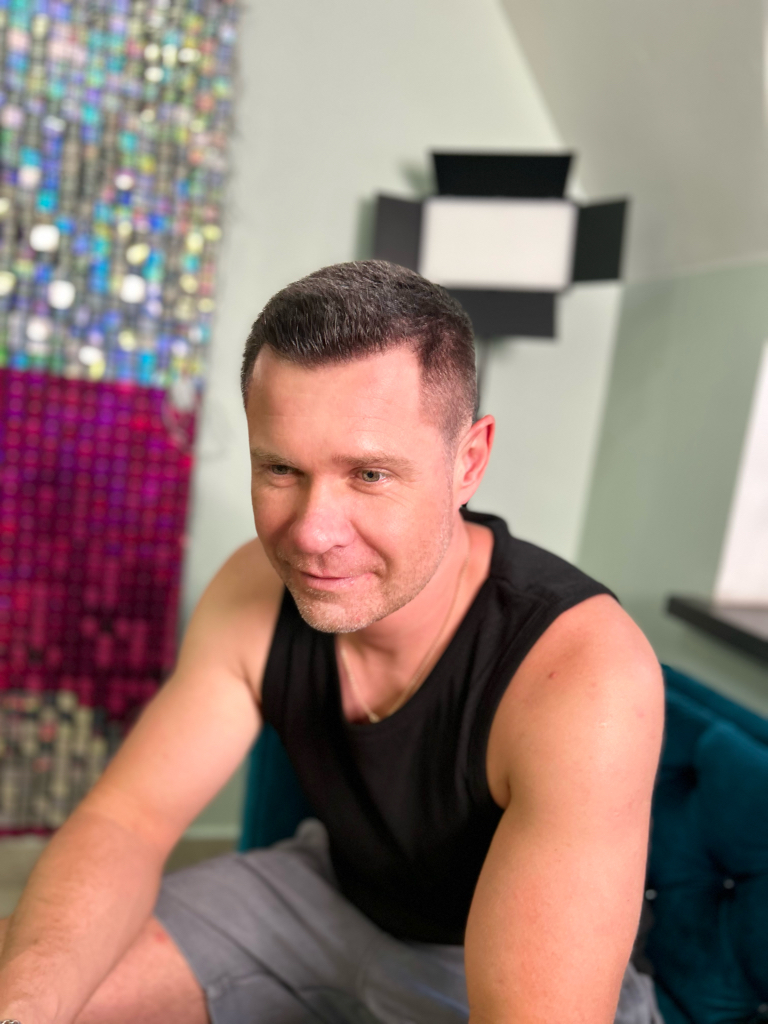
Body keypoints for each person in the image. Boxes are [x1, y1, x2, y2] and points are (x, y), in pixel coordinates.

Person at [0, 261, 665, 1024]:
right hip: (327, 895)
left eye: (370, 474)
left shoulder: (584, 674)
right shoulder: (253, 588)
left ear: (468, 462)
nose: (313, 534)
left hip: (498, 961)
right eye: (281, 468)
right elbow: (127, 822)